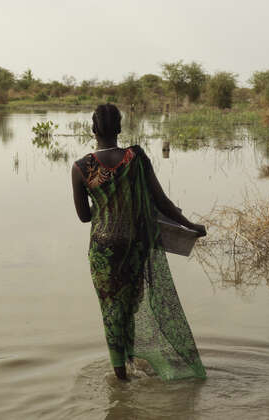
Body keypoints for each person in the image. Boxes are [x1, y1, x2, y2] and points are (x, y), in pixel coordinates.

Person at [71, 103, 207, 381]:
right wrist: (190, 225)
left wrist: (108, 206)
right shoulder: (135, 157)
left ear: (93, 129)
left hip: (102, 251)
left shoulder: (80, 167)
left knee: (111, 311)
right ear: (119, 128)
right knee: (131, 304)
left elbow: (85, 217)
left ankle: (120, 375)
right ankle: (132, 361)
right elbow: (161, 201)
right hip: (132, 246)